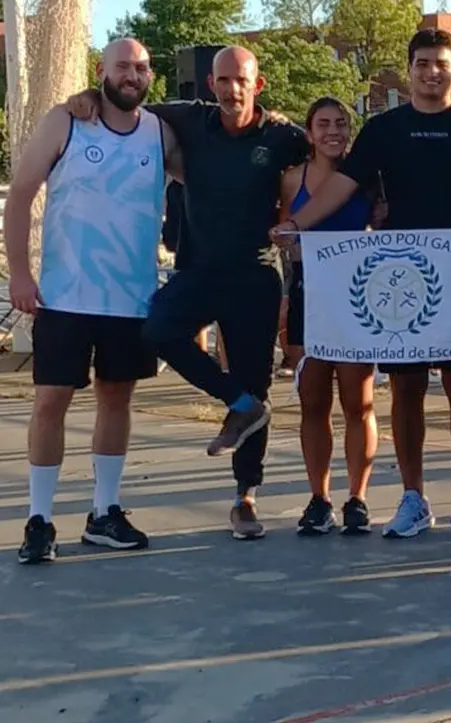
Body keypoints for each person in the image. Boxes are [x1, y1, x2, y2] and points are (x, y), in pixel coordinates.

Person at [274, 28, 451, 540]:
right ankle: (413, 498)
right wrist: (297, 224)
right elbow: (343, 186)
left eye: (441, 63)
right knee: (406, 390)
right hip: (399, 279)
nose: (431, 72)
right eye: (422, 63)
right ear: (410, 68)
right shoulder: (383, 130)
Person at [68, 45, 310, 540]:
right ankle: (236, 401)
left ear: (258, 85)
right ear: (211, 84)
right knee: (158, 329)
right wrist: (88, 96)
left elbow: (329, 160)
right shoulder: (190, 120)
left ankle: (245, 497)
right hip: (198, 271)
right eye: (223, 80)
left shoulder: (283, 136)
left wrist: (367, 208)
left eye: (241, 80)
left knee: (256, 381)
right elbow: (126, 98)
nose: (232, 89)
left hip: (254, 276)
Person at [5, 38, 182, 563]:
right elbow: (21, 194)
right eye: (122, 66)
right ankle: (39, 519)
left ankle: (104, 511)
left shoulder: (160, 132)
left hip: (130, 298)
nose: (132, 75)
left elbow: (215, 166)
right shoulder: (67, 121)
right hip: (65, 294)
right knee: (50, 401)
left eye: (142, 67)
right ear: (101, 70)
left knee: (116, 399)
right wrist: (20, 273)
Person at [281, 97, 380, 536]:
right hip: (309, 295)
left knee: (359, 401)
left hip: (356, 297)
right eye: (323, 124)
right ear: (309, 132)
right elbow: (284, 238)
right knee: (313, 401)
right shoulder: (292, 180)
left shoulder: (368, 179)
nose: (333, 132)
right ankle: (319, 498)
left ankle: (357, 498)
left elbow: (383, 233)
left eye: (341, 123)